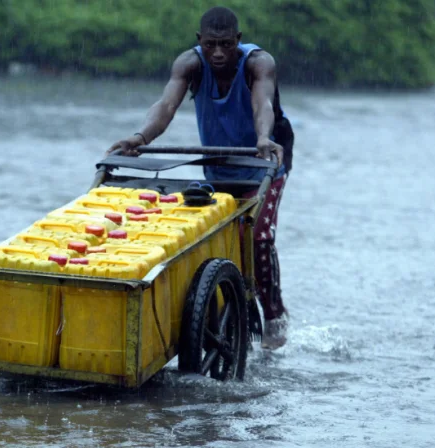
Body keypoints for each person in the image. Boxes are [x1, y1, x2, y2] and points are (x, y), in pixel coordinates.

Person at [105, 6, 294, 350]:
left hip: (265, 159)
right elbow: (165, 106)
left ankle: (275, 316)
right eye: (210, 45)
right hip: (221, 163)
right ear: (199, 42)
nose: (218, 53)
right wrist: (140, 138)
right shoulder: (189, 65)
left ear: (238, 40)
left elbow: (261, 104)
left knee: (258, 236)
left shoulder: (258, 64)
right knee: (212, 238)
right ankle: (218, 311)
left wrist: (263, 138)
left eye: (225, 44)